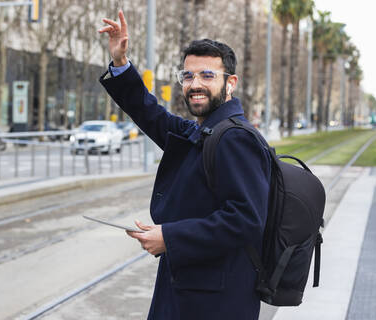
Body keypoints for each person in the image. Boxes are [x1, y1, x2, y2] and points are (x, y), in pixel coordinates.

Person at [99, 10, 271, 320]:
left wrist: (170, 237)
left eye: (207, 75)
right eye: (188, 76)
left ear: (230, 83)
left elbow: (246, 219)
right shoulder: (203, 131)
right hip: (191, 289)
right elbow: (150, 113)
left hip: (216, 303)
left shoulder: (235, 138)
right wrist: (121, 63)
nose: (195, 84)